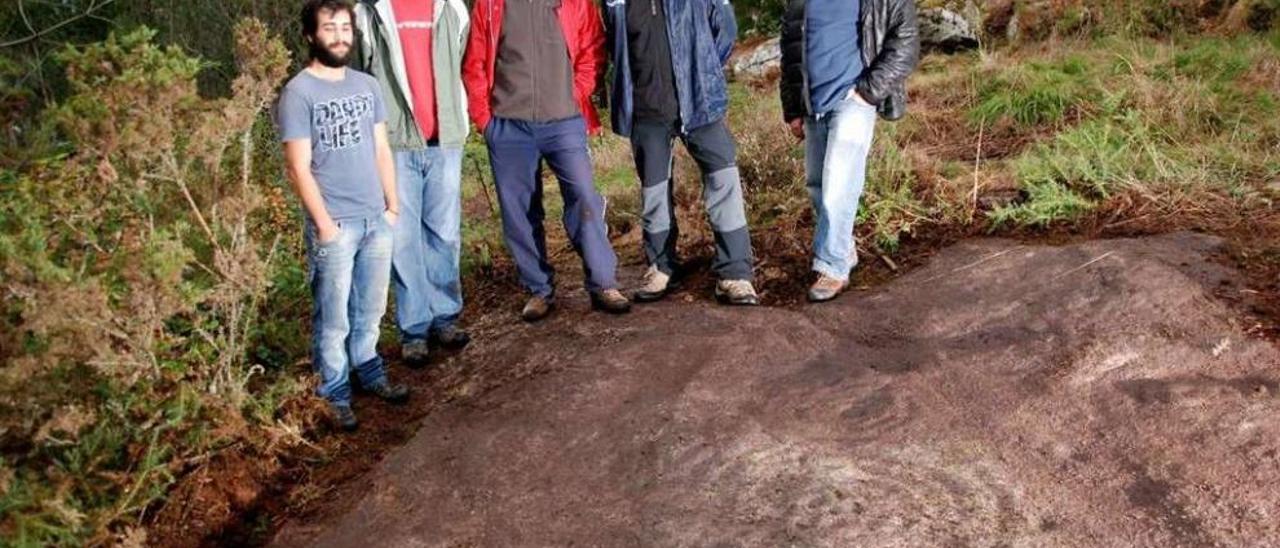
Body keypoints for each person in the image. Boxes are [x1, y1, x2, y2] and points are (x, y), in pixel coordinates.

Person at [278, 0, 410, 431]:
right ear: (311, 36)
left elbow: (380, 150)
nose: (340, 36)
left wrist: (391, 206)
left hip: (376, 218)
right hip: (335, 225)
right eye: (329, 28)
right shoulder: (299, 93)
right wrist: (325, 226)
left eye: (345, 28)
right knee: (332, 317)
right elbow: (298, 167)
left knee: (370, 309)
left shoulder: (366, 85)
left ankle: (368, 370)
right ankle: (334, 392)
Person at [462, 0, 631, 321]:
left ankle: (602, 283)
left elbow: (594, 48)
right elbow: (475, 62)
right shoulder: (490, 4)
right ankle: (538, 289)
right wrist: (485, 119)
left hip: (565, 120)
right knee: (519, 212)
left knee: (584, 198)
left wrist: (577, 93)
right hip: (508, 124)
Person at [603, 0, 760, 306]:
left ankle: (735, 273)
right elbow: (615, 45)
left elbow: (725, 30)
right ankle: (661, 267)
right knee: (654, 192)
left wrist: (704, 72)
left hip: (701, 103)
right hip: (647, 111)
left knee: (723, 178)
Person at [351, 0, 472, 367]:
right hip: (395, 144)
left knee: (445, 234)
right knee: (402, 239)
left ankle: (445, 316)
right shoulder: (369, 11)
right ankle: (414, 328)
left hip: (445, 138)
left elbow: (463, 60)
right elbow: (359, 77)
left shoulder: (452, 7)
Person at [780, 0, 920, 302]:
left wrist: (867, 93)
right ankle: (843, 248)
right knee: (817, 185)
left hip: (853, 102)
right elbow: (790, 49)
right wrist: (793, 109)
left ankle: (833, 266)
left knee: (838, 186)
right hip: (813, 106)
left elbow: (906, 40)